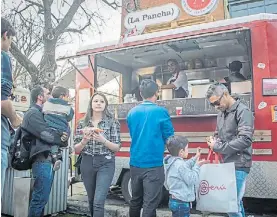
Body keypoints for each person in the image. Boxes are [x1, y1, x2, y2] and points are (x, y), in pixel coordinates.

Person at [127, 79, 174, 217]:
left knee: (135, 201)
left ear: (141, 94)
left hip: (135, 163)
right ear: (157, 93)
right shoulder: (161, 112)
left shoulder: (132, 112)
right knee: (150, 204)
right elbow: (170, 138)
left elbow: (133, 134)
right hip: (153, 164)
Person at [206, 83, 254, 217]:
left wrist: (219, 147)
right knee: (236, 204)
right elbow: (218, 133)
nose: (216, 107)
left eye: (216, 102)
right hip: (226, 163)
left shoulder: (243, 111)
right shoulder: (221, 113)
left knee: (230, 205)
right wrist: (213, 140)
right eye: (212, 104)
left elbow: (245, 139)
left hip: (239, 164)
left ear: (225, 94)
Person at [21, 86, 69, 217]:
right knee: (39, 199)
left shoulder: (46, 113)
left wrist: (62, 137)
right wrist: (61, 136)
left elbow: (63, 137)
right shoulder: (33, 113)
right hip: (41, 159)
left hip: (48, 160)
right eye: (48, 93)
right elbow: (46, 135)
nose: (52, 96)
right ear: (40, 97)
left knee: (42, 199)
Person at [74, 92, 121, 217]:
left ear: (105, 105)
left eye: (101, 101)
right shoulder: (82, 123)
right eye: (96, 101)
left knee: (98, 201)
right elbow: (76, 149)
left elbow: (117, 147)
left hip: (106, 163)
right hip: (87, 162)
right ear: (91, 104)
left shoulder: (112, 122)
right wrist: (84, 140)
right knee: (91, 200)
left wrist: (102, 140)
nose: (98, 103)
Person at [1, 17, 22, 196]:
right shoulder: (2, 57)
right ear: (5, 35)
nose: (9, 45)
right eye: (11, 40)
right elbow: (2, 101)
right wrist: (15, 119)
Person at [164, 136, 208, 217]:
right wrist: (197, 166)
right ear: (181, 152)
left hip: (174, 200)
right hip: (182, 203)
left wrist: (196, 157)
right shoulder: (180, 165)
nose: (188, 150)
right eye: (187, 148)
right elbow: (192, 179)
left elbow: (185, 166)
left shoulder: (172, 161)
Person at [43, 86, 74, 171]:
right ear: (62, 96)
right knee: (68, 129)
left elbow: (43, 113)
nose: (68, 98)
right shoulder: (67, 106)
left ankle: (57, 154)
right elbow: (69, 117)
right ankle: (55, 156)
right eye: (67, 96)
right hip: (61, 129)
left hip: (48, 127)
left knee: (54, 143)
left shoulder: (46, 103)